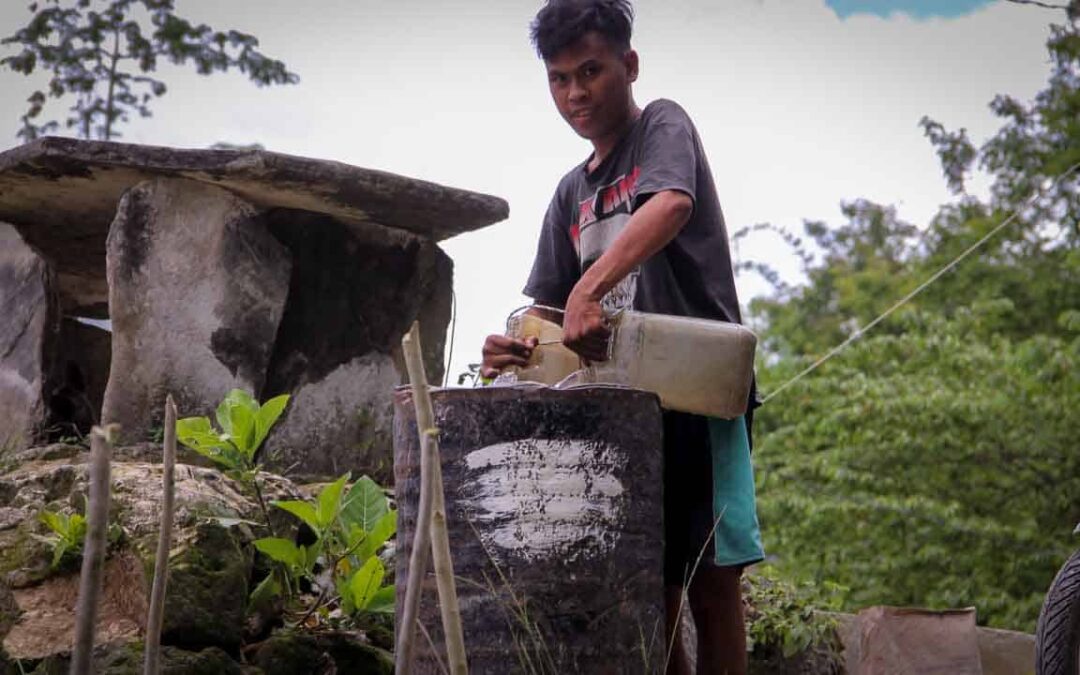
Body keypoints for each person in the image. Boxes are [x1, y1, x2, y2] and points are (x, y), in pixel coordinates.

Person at [480, 1, 764, 673]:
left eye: (590, 71)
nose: (575, 93)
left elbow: (671, 203)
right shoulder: (569, 193)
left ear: (628, 66)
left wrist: (590, 289)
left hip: (701, 395)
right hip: (620, 415)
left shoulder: (662, 126)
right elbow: (546, 311)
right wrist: (511, 348)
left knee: (711, 580)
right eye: (558, 79)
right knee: (648, 583)